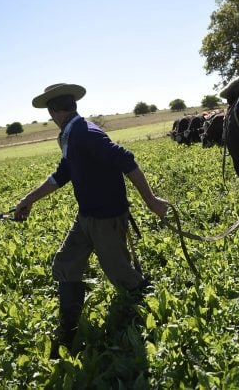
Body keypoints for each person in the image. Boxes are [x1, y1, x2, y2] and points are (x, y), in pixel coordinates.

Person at [15, 83, 168, 358]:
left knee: (123, 278)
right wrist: (28, 199)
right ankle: (68, 332)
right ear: (71, 105)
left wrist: (152, 201)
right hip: (86, 216)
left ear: (52, 111)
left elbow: (127, 160)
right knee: (65, 264)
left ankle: (152, 317)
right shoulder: (73, 134)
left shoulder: (86, 134)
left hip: (106, 218)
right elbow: (62, 174)